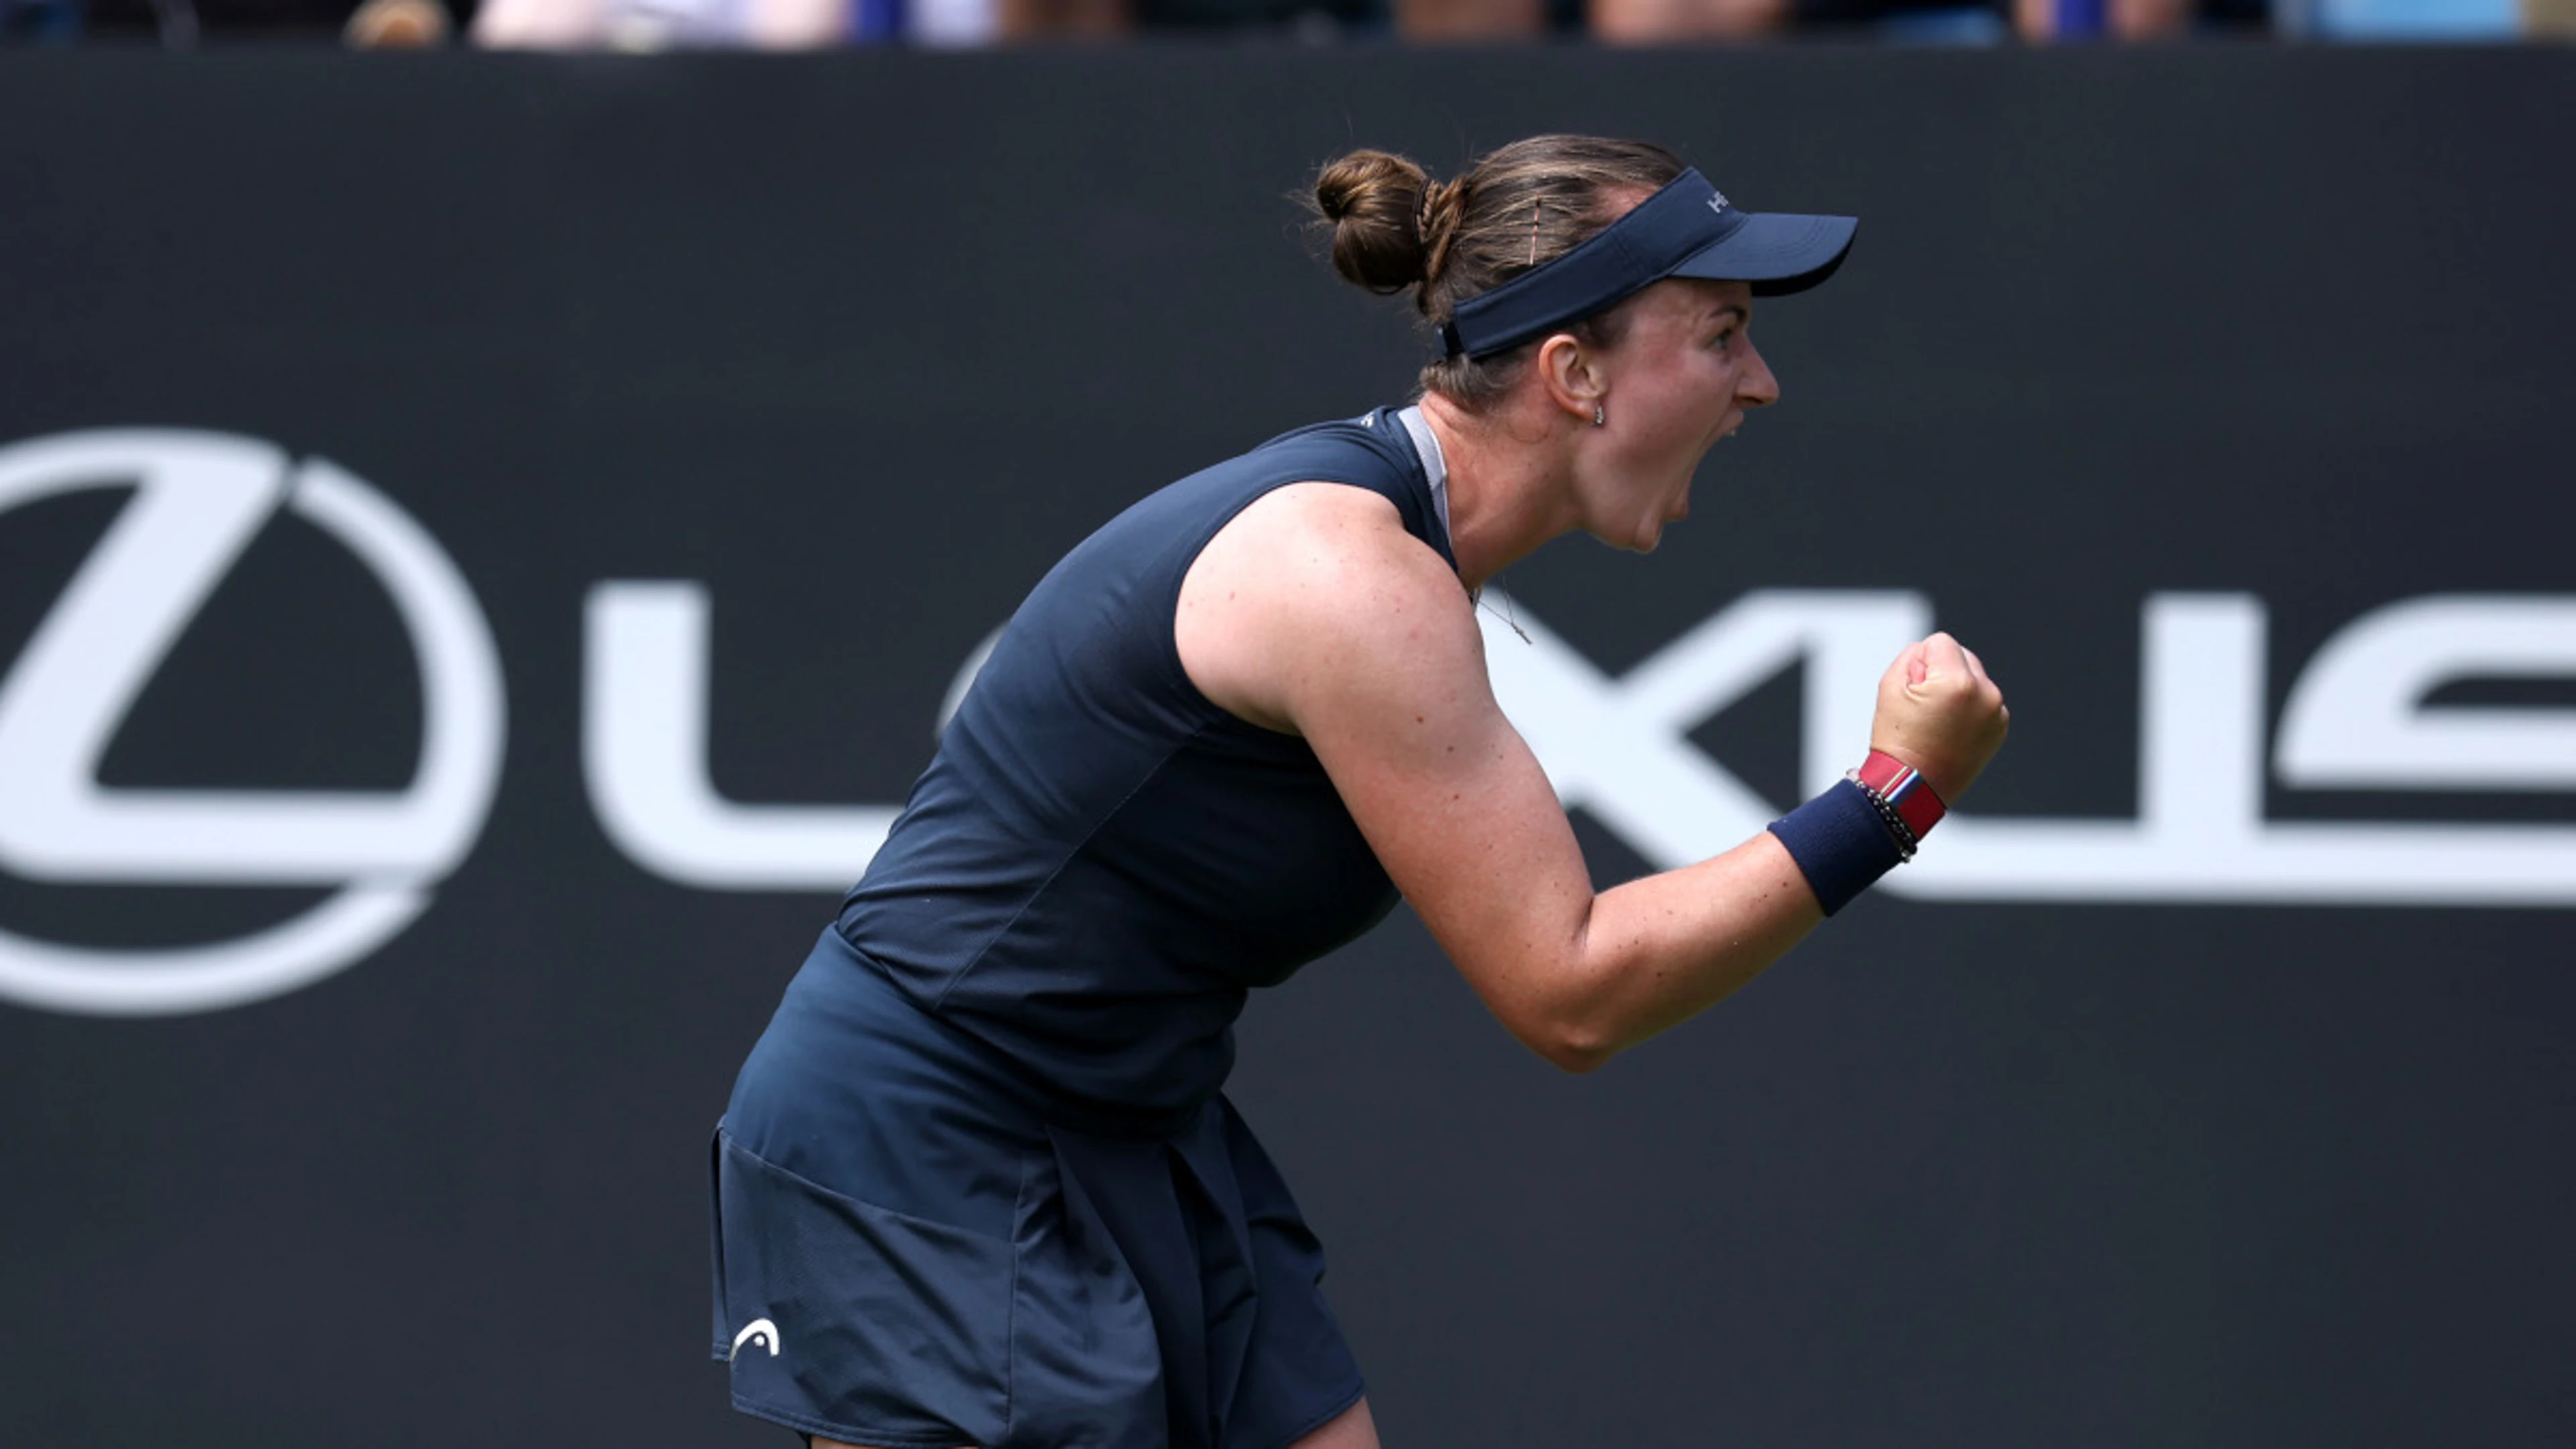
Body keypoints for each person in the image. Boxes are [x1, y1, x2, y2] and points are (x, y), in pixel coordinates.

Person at [708, 133, 2010, 1449]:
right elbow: (1573, 989)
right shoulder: (1354, 581)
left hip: (1132, 1121)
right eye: (1723, 334)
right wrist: (1893, 798)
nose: (1763, 382)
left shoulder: (1400, 558)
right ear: (1575, 375)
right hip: (928, 1146)